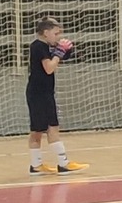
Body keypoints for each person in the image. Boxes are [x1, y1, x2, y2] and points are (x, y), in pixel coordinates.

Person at [24, 15, 85, 175]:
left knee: (50, 127)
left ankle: (45, 165)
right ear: (46, 32)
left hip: (44, 92)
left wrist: (65, 52)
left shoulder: (45, 46)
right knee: (40, 130)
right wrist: (58, 53)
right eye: (56, 33)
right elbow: (49, 68)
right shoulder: (38, 46)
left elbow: (56, 60)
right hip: (38, 94)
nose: (58, 37)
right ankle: (56, 164)